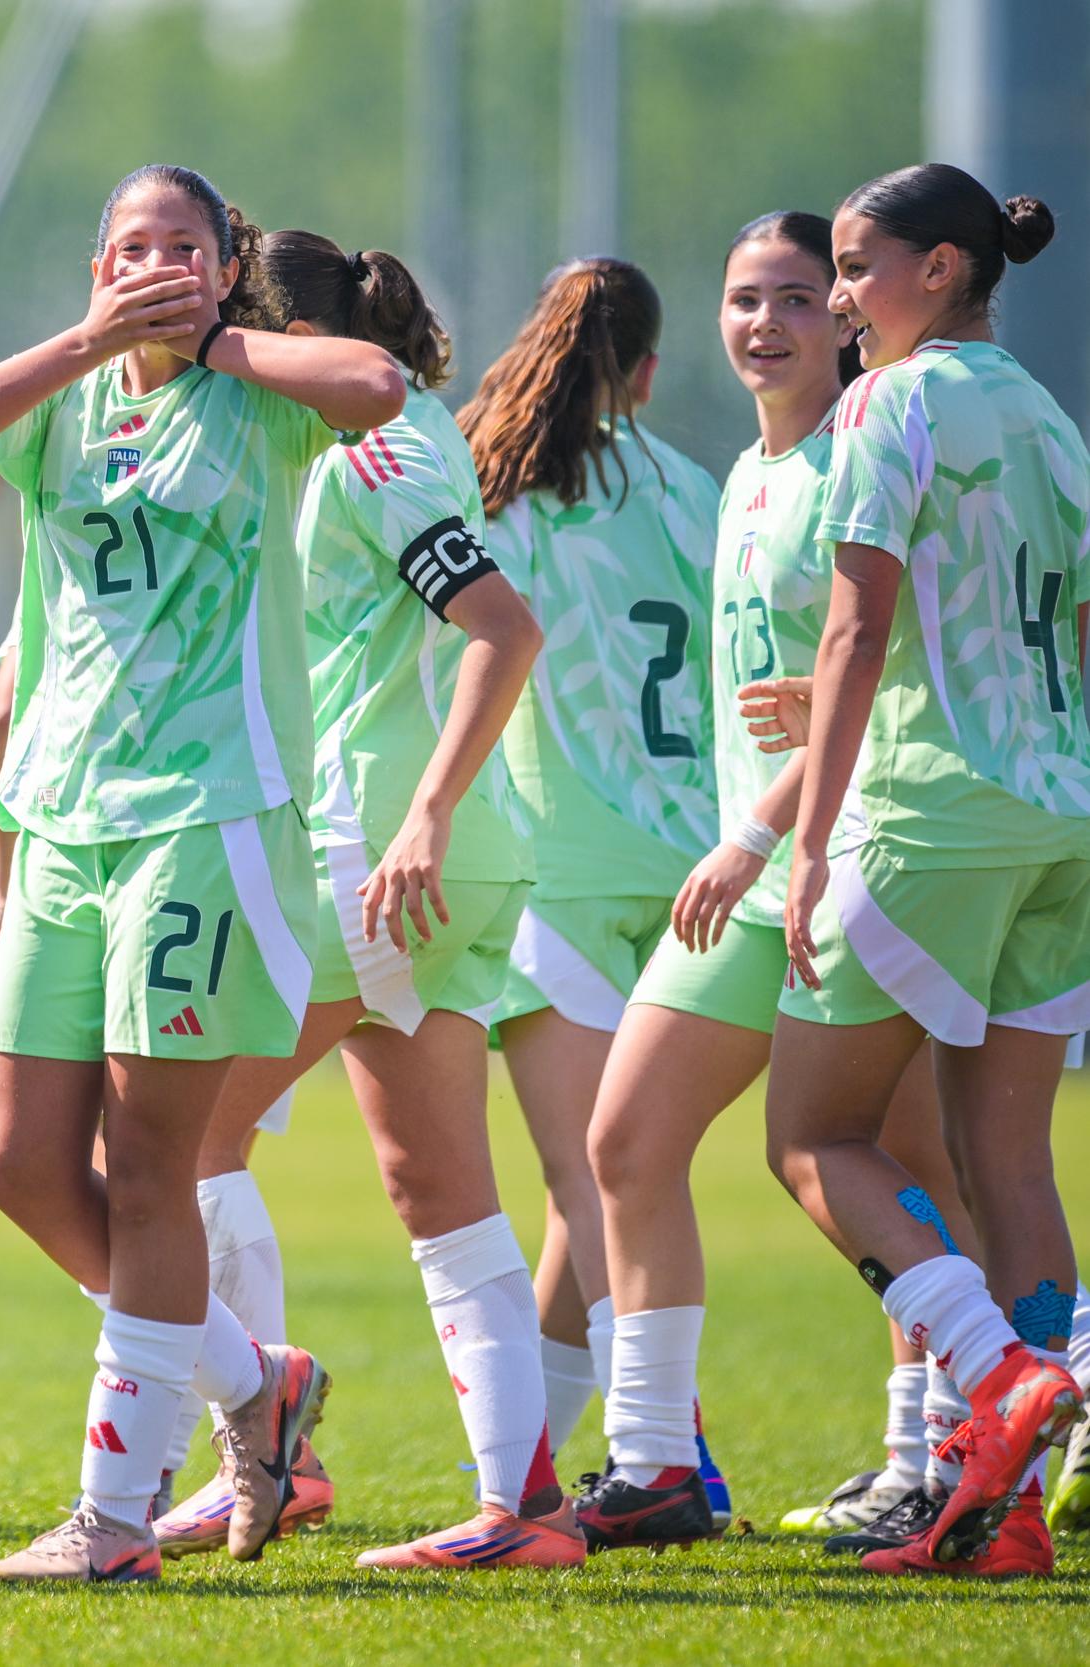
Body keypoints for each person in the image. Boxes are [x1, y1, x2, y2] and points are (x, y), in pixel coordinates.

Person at [0, 164, 405, 1582]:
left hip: (207, 815)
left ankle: (114, 1518)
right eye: (133, 246)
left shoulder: (256, 400)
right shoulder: (61, 397)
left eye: (186, 246)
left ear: (227, 260)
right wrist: (88, 338)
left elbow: (376, 383)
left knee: (147, 1172)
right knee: (14, 1164)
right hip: (60, 823)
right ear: (97, 258)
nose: (158, 263)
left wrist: (213, 339)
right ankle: (256, 1383)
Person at [161, 229, 562, 1569]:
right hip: (426, 863)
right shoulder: (401, 432)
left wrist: (424, 814)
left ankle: (264, 1442)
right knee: (445, 1194)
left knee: (168, 1153)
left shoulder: (366, 447)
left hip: (371, 852)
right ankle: (524, 1507)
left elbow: (501, 627)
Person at [573, 211, 970, 1551]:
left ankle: (966, 1435)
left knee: (901, 1165)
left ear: (845, 319)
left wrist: (754, 837)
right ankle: (656, 1464)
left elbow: (892, 677)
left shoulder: (865, 448)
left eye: (797, 298)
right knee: (631, 1141)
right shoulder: (749, 469)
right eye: (744, 298)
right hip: (763, 859)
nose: (764, 323)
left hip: (845, 857)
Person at [758, 163, 1083, 1578]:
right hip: (1062, 814)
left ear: (942, 270)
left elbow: (854, 626)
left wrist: (811, 831)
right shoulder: (1051, 415)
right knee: (1007, 1151)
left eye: (855, 264)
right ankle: (1011, 1503)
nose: (837, 293)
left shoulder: (890, 400)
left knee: (814, 1134)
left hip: (930, 811)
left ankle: (1002, 1377)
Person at [458, 257, 724, 1477]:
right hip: (692, 868)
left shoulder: (497, 491)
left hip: (555, 860)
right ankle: (542, 1463)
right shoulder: (700, 489)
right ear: (650, 373)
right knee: (615, 1179)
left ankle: (674, 1449)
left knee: (586, 1180)